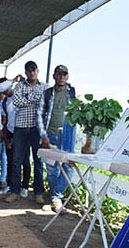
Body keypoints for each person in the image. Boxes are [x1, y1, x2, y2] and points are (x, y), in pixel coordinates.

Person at [5, 60, 48, 204]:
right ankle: (15, 192)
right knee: (17, 160)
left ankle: (38, 193)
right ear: (25, 73)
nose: (32, 73)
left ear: (37, 71)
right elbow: (16, 101)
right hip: (20, 127)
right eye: (29, 71)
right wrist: (35, 100)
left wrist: (28, 99)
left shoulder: (45, 87)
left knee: (38, 161)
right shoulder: (19, 86)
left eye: (34, 70)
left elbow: (44, 103)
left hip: (37, 128)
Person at [38, 65, 76, 213]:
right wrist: (43, 135)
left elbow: (75, 113)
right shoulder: (47, 93)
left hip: (67, 137)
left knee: (70, 166)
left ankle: (56, 196)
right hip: (50, 135)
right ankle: (56, 201)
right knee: (52, 168)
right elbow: (39, 114)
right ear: (54, 76)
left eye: (64, 74)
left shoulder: (72, 92)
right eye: (59, 74)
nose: (61, 77)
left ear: (67, 76)